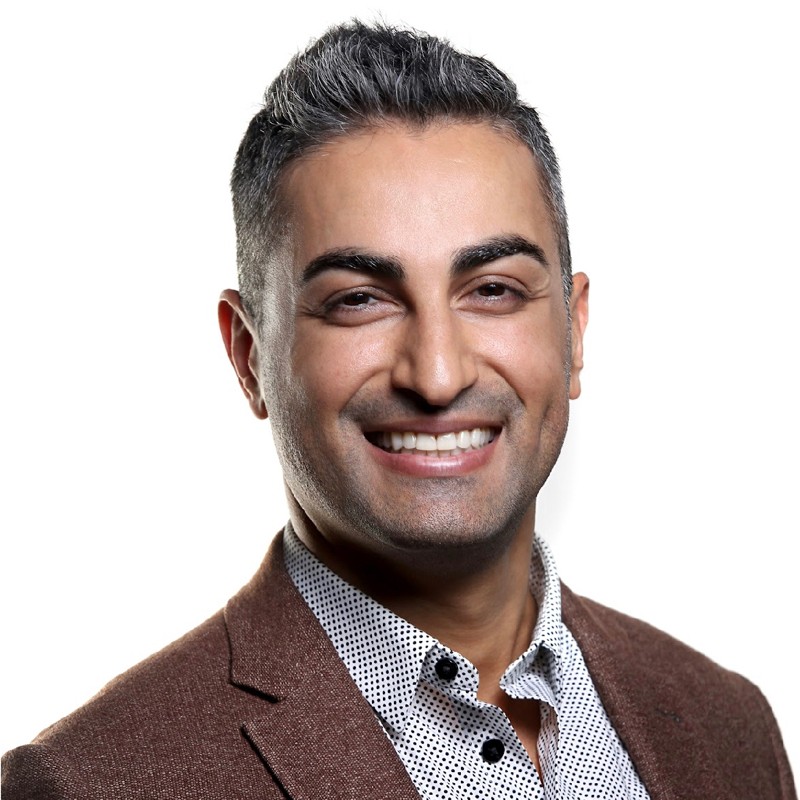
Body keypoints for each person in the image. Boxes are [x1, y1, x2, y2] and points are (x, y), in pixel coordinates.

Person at [2, 20, 795, 800]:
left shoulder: (728, 724)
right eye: (358, 300)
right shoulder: (88, 785)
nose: (438, 375)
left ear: (574, 330)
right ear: (248, 356)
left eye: (493, 290)